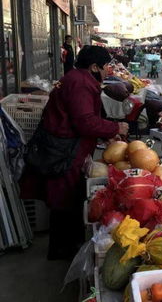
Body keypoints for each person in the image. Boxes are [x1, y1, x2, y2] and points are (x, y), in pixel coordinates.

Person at [20, 46, 129, 260]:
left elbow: (82, 117)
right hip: (63, 150)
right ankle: (64, 251)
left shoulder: (77, 78)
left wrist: (105, 135)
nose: (109, 71)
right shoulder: (79, 83)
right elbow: (85, 122)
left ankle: (68, 246)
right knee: (64, 200)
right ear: (94, 67)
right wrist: (115, 128)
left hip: (67, 148)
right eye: (106, 67)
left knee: (69, 198)